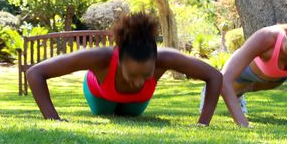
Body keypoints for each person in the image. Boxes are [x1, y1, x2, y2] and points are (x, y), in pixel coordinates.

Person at [26, 12, 222, 125]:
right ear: (118, 59)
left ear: (156, 63)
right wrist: (53, 119)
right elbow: (35, 73)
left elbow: (214, 76)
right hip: (100, 95)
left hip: (137, 102)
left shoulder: (167, 58)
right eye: (133, 74)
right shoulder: (99, 57)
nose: (138, 81)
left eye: (145, 75)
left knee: (129, 114)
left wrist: (203, 123)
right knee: (107, 111)